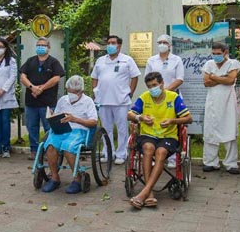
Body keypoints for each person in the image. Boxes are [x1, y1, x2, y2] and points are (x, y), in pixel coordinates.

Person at [127, 72, 192, 209]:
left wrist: (172, 121)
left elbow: (188, 118)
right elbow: (130, 114)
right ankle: (149, 194)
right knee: (148, 149)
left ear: (162, 84)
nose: (152, 89)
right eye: (149, 86)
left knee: (161, 152)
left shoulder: (173, 98)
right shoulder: (144, 98)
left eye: (155, 85)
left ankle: (144, 193)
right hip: (148, 135)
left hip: (168, 136)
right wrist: (141, 118)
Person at [40, 76, 99, 194]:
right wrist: (52, 116)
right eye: (69, 91)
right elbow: (57, 115)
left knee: (68, 147)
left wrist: (75, 119)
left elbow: (93, 122)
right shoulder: (63, 100)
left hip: (79, 130)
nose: (71, 94)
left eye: (74, 92)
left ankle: (77, 178)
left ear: (81, 91)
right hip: (62, 129)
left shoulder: (88, 101)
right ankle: (55, 178)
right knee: (50, 145)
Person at [92, 35, 141, 165]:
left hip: (121, 100)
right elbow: (94, 77)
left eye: (113, 43)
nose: (110, 45)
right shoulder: (100, 60)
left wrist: (130, 92)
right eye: (108, 43)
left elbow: (135, 77)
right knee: (105, 128)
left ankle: (121, 154)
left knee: (122, 129)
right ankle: (108, 153)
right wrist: (95, 92)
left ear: (119, 45)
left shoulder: (127, 60)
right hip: (103, 100)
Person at [20, 37, 65, 159]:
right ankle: (34, 150)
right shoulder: (30, 61)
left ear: (48, 48)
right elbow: (23, 76)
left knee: (49, 128)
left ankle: (48, 150)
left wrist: (41, 88)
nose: (40, 47)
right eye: (38, 45)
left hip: (48, 102)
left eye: (43, 45)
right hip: (31, 101)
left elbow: (56, 78)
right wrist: (32, 87)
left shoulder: (53, 62)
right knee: (31, 127)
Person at [202, 42, 240, 174]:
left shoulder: (233, 63)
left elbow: (230, 80)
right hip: (212, 101)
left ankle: (231, 163)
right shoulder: (208, 64)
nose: (216, 56)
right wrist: (222, 77)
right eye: (213, 53)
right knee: (210, 130)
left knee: (229, 129)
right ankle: (210, 162)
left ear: (225, 52)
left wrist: (214, 76)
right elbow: (206, 82)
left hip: (228, 102)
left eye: (218, 53)